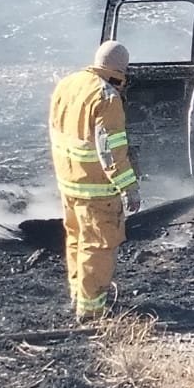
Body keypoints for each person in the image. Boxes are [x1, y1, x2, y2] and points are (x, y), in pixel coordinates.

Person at [48, 40, 142, 321]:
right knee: (98, 245)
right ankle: (92, 310)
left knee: (76, 238)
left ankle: (79, 293)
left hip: (68, 181)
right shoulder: (107, 98)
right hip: (96, 188)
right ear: (120, 69)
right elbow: (110, 152)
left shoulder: (67, 84)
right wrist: (129, 188)